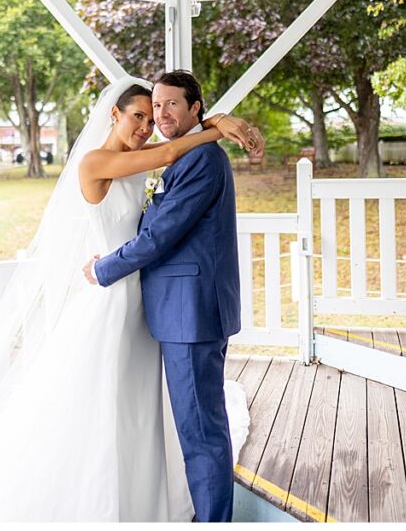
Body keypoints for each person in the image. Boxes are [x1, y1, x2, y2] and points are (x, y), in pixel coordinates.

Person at [0, 75, 259, 521]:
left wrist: (214, 122)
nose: (151, 122)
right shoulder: (98, 161)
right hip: (115, 299)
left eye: (163, 109)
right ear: (114, 114)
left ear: (193, 107)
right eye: (142, 113)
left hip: (158, 303)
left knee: (159, 415)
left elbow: (164, 189)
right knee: (105, 407)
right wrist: (217, 124)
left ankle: (170, 506)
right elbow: (166, 156)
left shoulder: (169, 157)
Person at [86, 70, 249, 523]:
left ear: (196, 108)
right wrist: (217, 125)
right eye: (155, 107)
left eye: (171, 104)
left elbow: (160, 236)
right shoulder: (177, 156)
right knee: (191, 424)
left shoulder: (201, 160)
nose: (160, 115)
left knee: (200, 429)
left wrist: (103, 269)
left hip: (190, 312)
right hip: (173, 310)